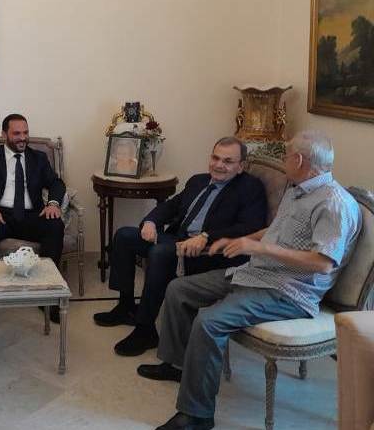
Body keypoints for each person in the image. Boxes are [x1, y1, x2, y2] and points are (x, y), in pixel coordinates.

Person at [141, 130, 361, 430]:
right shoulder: (298, 190)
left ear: (298, 160)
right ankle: (180, 366)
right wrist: (239, 240)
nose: (284, 161)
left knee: (209, 321)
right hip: (257, 273)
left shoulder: (333, 204)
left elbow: (323, 263)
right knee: (179, 289)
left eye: (286, 156)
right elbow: (275, 230)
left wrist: (259, 248)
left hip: (288, 291)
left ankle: (198, 415)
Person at [93, 136, 268, 356]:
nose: (219, 165)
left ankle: (145, 329)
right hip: (178, 240)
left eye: (228, 161)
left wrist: (207, 236)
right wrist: (151, 222)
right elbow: (171, 206)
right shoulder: (198, 181)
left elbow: (249, 227)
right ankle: (126, 306)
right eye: (215, 158)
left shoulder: (250, 188)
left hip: (209, 252)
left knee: (160, 253)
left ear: (241, 166)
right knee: (124, 236)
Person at [0, 113, 66, 325]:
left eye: (25, 133)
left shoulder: (38, 158)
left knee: (55, 225)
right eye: (16, 133)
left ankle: (47, 295)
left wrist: (53, 203)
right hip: (0, 214)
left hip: (31, 215)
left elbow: (56, 183)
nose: (22, 138)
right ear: (4, 134)